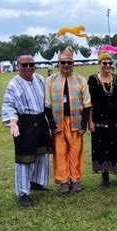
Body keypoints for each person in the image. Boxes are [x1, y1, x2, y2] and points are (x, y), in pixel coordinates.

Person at [2, 53, 52, 207]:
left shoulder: (40, 79)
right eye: (25, 65)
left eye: (32, 64)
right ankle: (23, 193)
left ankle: (37, 182)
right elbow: (9, 105)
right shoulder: (13, 84)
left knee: (42, 153)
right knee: (25, 159)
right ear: (18, 66)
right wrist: (12, 121)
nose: (29, 68)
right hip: (25, 123)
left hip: (40, 121)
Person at [45, 46, 91, 194]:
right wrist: (52, 126)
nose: (66, 65)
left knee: (76, 151)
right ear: (58, 63)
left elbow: (87, 104)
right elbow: (47, 105)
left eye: (69, 62)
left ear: (73, 63)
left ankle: (76, 179)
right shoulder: (51, 80)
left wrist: (84, 125)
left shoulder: (80, 80)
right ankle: (63, 181)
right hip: (58, 123)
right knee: (60, 152)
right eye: (63, 62)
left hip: (76, 122)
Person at [87, 52, 117, 190]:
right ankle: (105, 177)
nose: (108, 66)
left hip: (115, 120)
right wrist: (90, 121)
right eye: (105, 63)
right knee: (101, 147)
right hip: (99, 121)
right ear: (99, 64)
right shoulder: (92, 80)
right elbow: (89, 103)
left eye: (110, 63)